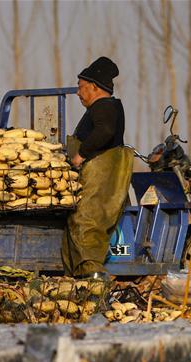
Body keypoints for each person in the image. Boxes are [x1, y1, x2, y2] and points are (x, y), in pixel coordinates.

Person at [61, 56, 134, 279]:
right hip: (96, 178)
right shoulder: (102, 107)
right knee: (80, 222)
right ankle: (77, 276)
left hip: (100, 179)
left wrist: (79, 156)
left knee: (87, 223)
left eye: (81, 86)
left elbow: (105, 131)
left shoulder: (104, 107)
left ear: (94, 87)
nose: (77, 92)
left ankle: (92, 279)